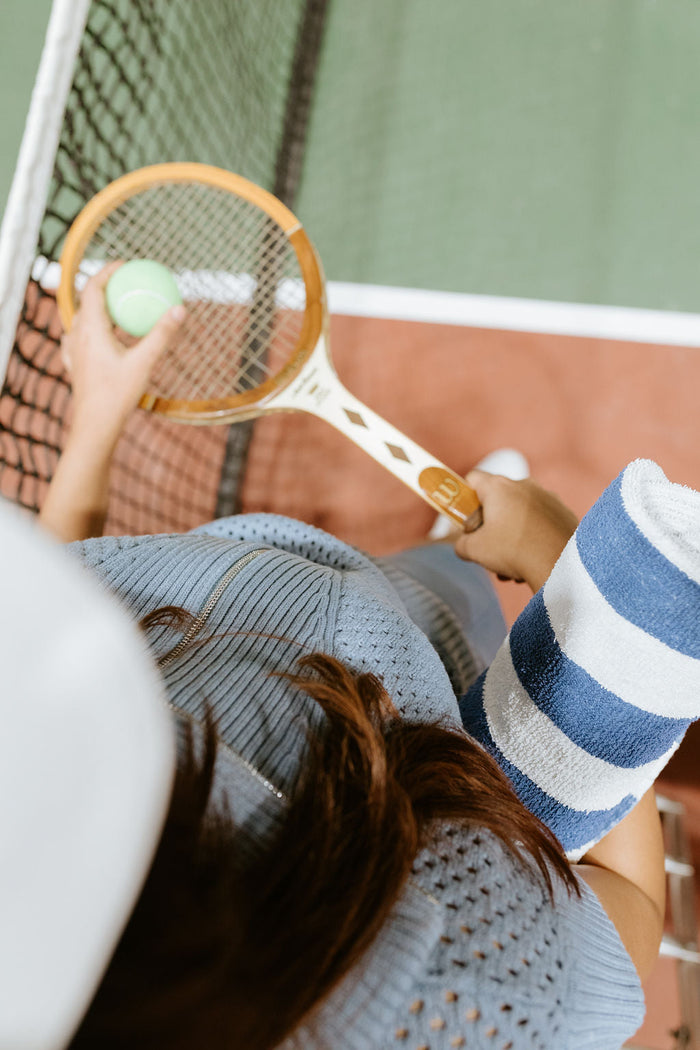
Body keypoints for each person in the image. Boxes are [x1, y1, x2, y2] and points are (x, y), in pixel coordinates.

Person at [35, 265, 700, 1050]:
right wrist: (559, 561)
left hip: (350, 611)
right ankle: (453, 568)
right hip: (443, 691)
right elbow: (624, 899)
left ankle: (441, 555)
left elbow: (57, 613)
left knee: (436, 577)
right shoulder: (460, 996)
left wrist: (97, 417)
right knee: (457, 599)